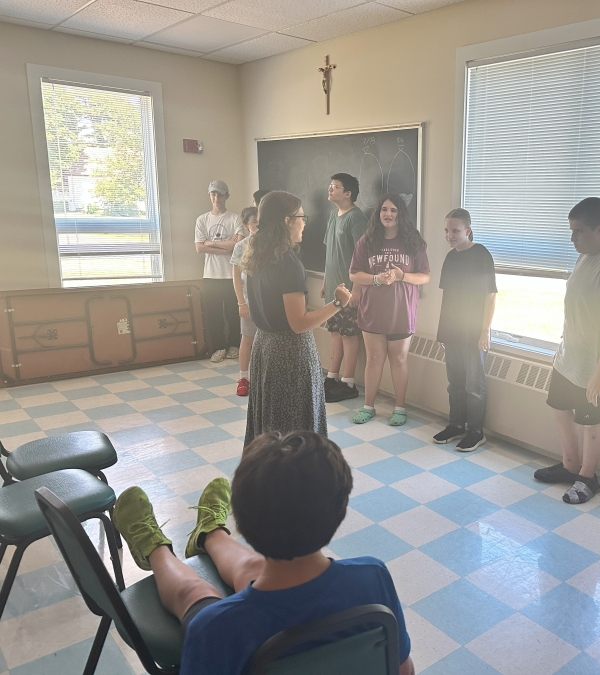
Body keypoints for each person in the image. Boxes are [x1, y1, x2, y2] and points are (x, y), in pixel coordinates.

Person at [111, 430, 415, 675]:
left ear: (243, 522)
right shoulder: (373, 577)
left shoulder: (215, 627)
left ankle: (156, 549)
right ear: (341, 509)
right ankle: (209, 533)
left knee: (193, 592)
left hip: (240, 620)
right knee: (262, 572)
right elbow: (403, 669)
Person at [533, 198, 600, 504]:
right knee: (560, 409)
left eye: (579, 231)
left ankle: (588, 478)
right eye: (571, 230)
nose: (572, 238)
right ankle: (570, 465)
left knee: (590, 421)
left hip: (594, 363)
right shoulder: (583, 257)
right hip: (569, 357)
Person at [242, 192, 350, 445]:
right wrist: (338, 303)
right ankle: (295, 478)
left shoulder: (258, 254)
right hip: (288, 353)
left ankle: (268, 475)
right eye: (302, 217)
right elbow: (299, 323)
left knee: (270, 423)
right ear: (288, 220)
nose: (305, 222)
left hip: (264, 346)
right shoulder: (287, 263)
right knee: (293, 428)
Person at [349, 194, 430, 426]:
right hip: (372, 310)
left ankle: (399, 408)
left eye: (393, 210)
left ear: (401, 214)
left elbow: (425, 276)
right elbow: (354, 274)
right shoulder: (367, 241)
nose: (388, 214)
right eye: (384, 209)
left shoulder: (413, 241)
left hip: (402, 312)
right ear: (378, 213)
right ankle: (368, 406)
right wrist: (377, 279)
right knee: (374, 359)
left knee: (399, 359)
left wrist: (402, 275)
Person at [432, 209, 497, 452]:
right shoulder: (450, 258)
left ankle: (476, 431)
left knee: (474, 385)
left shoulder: (481, 255)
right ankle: (456, 425)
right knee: (455, 383)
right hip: (452, 330)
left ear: (468, 231)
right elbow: (447, 298)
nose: (450, 235)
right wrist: (443, 333)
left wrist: (484, 331)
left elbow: (490, 296)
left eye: (455, 231)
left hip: (473, 331)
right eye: (447, 230)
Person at [321, 173, 369, 403]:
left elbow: (364, 257)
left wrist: (357, 290)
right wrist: (324, 282)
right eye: (330, 186)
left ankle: (348, 382)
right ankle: (332, 376)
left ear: (348, 193)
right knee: (335, 333)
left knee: (350, 336)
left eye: (335, 187)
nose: (330, 189)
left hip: (349, 290)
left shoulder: (356, 218)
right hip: (332, 288)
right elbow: (329, 252)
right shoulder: (333, 216)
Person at [195, 180, 244, 363]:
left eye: (220, 194)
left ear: (227, 196)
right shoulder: (202, 220)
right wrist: (226, 246)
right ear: (209, 196)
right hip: (211, 275)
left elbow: (238, 246)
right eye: (213, 194)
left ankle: (234, 346)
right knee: (213, 313)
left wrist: (211, 242)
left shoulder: (234, 218)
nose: (216, 198)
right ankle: (218, 348)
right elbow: (199, 248)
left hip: (231, 275)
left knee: (233, 313)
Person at [231, 206, 258, 396]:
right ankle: (243, 378)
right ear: (247, 225)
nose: (259, 226)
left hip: (268, 303)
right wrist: (241, 302)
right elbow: (236, 276)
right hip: (249, 301)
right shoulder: (241, 246)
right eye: (255, 223)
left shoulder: (271, 245)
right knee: (247, 339)